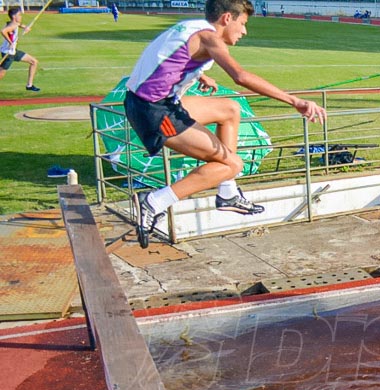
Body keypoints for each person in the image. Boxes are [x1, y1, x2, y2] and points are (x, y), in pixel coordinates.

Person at [125, 0, 326, 247]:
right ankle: (154, 202)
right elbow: (240, 76)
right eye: (242, 24)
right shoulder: (210, 39)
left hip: (156, 101)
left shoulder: (190, 27)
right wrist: (294, 100)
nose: (244, 32)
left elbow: (168, 55)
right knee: (232, 164)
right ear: (227, 18)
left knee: (230, 109)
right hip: (154, 113)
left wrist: (198, 73)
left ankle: (228, 192)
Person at [0, 7, 41, 92]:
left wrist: (25, 27)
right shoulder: (13, 25)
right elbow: (3, 31)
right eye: (19, 15)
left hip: (14, 51)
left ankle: (29, 85)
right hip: (8, 53)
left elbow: (19, 25)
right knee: (1, 73)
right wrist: (11, 42)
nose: (21, 16)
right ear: (14, 16)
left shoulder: (13, 23)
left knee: (34, 61)